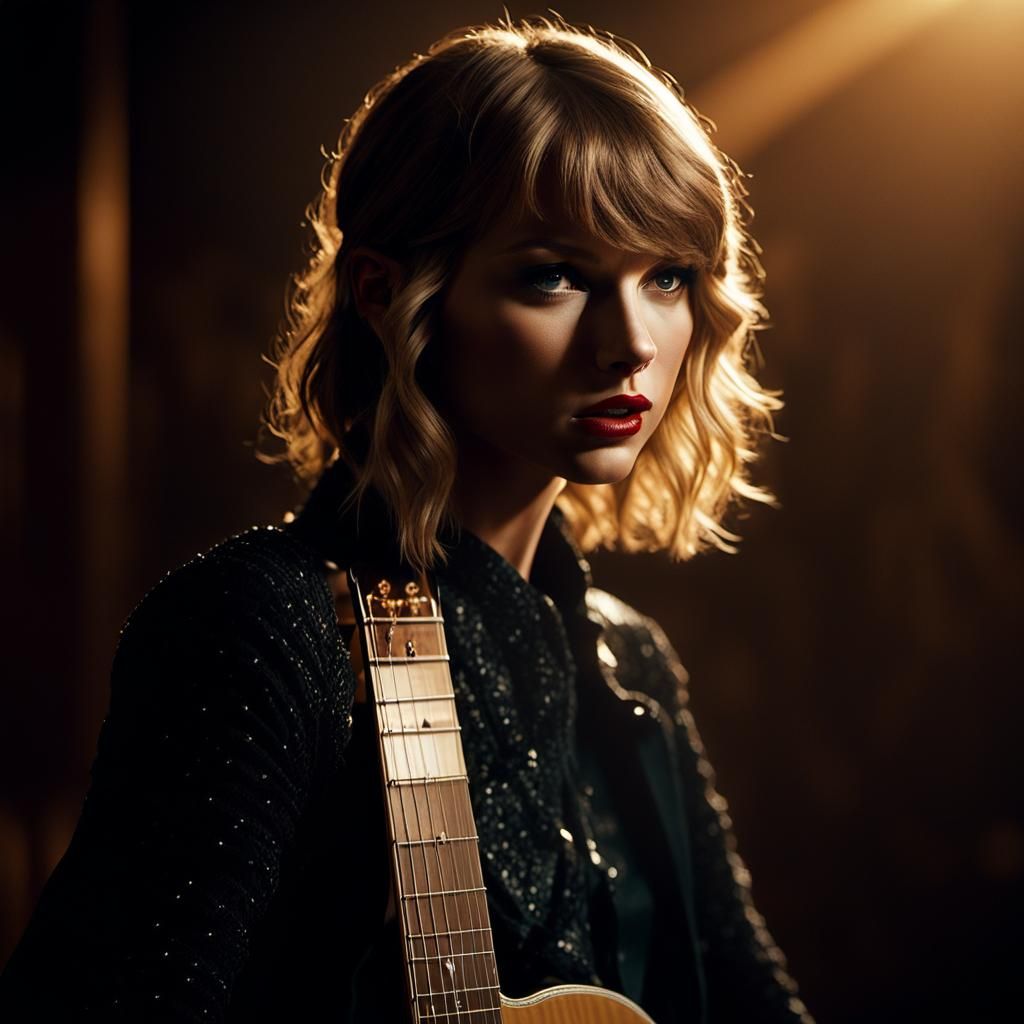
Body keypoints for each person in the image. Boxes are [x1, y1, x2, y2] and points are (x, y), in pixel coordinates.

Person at [0, 14, 814, 1023]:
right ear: (387, 291)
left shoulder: (626, 665)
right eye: (553, 274)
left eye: (666, 277)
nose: (629, 342)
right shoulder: (262, 632)